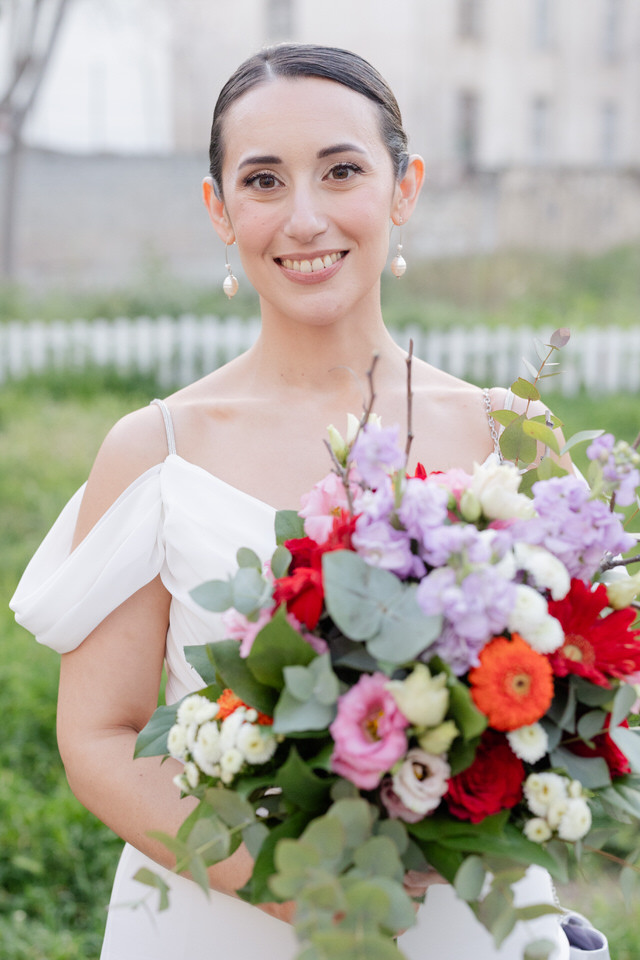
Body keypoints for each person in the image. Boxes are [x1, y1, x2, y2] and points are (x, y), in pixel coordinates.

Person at [11, 43, 574, 960]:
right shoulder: (156, 450)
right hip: (220, 922)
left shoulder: (511, 438)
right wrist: (293, 886)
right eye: (264, 180)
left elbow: (582, 691)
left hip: (468, 921)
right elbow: (100, 737)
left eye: (342, 171)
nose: (305, 218)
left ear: (404, 188)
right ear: (219, 208)